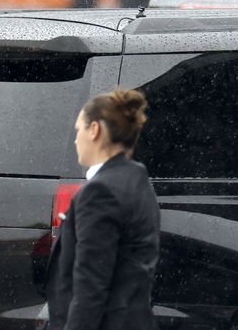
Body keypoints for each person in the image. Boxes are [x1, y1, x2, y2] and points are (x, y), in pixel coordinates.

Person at [47, 89, 160, 330]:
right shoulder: (138, 179)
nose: (76, 139)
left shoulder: (100, 192)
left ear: (95, 130)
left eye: (79, 130)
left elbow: (91, 289)